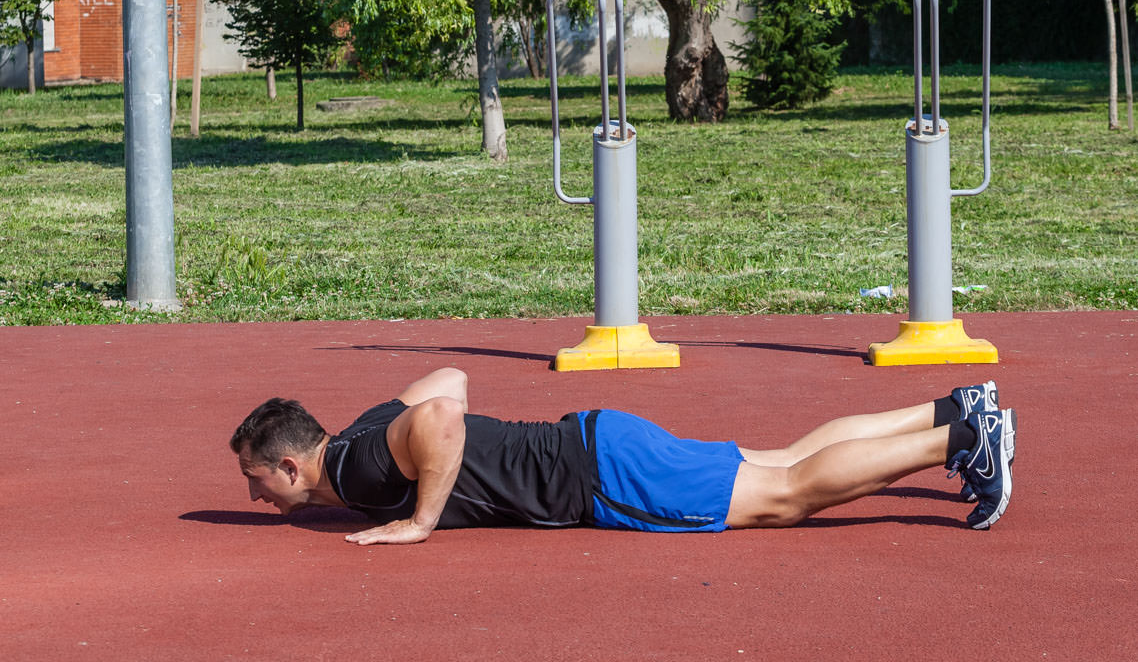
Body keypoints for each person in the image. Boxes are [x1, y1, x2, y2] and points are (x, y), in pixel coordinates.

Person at [231, 367, 1016, 544]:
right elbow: (448, 379)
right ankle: (949, 410)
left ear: (291, 465)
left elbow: (441, 412)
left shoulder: (361, 470)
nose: (255, 493)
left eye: (254, 478)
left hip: (602, 473)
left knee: (787, 495)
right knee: (783, 457)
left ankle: (963, 440)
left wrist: (422, 520)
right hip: (598, 440)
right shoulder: (363, 429)